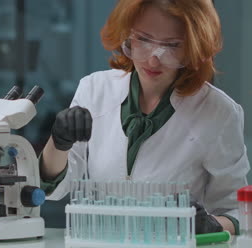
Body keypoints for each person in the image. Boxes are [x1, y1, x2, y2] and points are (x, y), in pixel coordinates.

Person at [39, 0, 249, 235]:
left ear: (194, 48)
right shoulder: (94, 90)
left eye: (172, 46)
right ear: (126, 35)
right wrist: (58, 144)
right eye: (143, 40)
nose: (153, 60)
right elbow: (53, 190)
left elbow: (237, 210)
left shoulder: (217, 111)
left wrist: (212, 225)